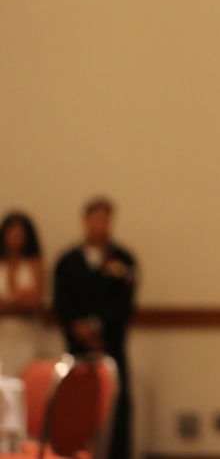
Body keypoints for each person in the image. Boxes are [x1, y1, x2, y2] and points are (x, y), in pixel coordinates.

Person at [53, 197, 138, 459]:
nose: (100, 223)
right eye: (95, 217)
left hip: (109, 343)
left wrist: (97, 327)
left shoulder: (122, 260)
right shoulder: (68, 261)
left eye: (106, 218)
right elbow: (61, 302)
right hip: (76, 347)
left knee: (115, 403)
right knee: (76, 406)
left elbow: (123, 302)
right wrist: (79, 330)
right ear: (85, 220)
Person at [0, 212, 44, 376]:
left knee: (24, 378)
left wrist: (7, 304)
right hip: (2, 334)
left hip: (25, 336)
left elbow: (34, 304)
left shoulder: (34, 264)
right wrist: (19, 303)